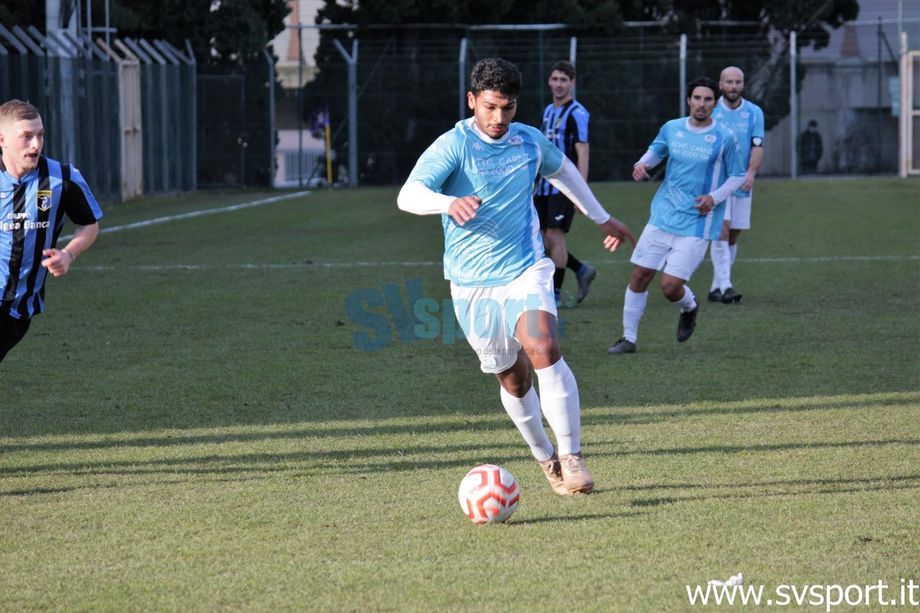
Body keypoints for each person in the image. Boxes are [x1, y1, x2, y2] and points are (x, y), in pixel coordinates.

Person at [397, 58, 635, 495]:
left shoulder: (528, 141)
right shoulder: (453, 145)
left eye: (507, 108)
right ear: (472, 101)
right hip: (471, 284)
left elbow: (564, 172)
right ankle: (545, 457)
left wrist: (601, 218)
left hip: (526, 268)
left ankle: (572, 456)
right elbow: (408, 194)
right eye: (489, 107)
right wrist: (447, 204)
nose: (498, 118)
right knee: (513, 377)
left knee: (543, 347)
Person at [608, 77, 745, 355]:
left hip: (697, 221)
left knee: (670, 287)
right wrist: (641, 164)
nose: (701, 104)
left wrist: (714, 198)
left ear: (714, 104)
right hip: (663, 215)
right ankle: (628, 338)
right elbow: (655, 151)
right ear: (688, 100)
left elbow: (737, 176)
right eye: (697, 98)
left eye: (707, 99)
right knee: (640, 274)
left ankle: (690, 306)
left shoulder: (724, 137)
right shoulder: (672, 128)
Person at [0, 99, 103, 363]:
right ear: (3, 140)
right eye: (26, 137)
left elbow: (89, 224)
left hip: (17, 307)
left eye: (40, 135)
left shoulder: (61, 178)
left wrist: (68, 254)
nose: (36, 144)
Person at [533, 60, 597, 307]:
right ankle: (581, 270)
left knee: (555, 236)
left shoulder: (578, 113)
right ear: (549, 81)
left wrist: (580, 192)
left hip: (565, 186)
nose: (559, 84)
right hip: (544, 185)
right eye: (555, 79)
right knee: (541, 239)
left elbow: (583, 151)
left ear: (572, 83)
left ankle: (555, 295)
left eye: (564, 80)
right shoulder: (548, 111)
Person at [707, 66, 765, 304]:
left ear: (743, 84)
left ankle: (716, 287)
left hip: (742, 181)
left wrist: (751, 172)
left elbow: (758, 145)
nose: (733, 86)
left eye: (738, 82)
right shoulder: (711, 109)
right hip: (717, 181)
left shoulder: (754, 112)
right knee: (722, 228)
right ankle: (727, 285)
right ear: (721, 85)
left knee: (733, 235)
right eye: (729, 82)